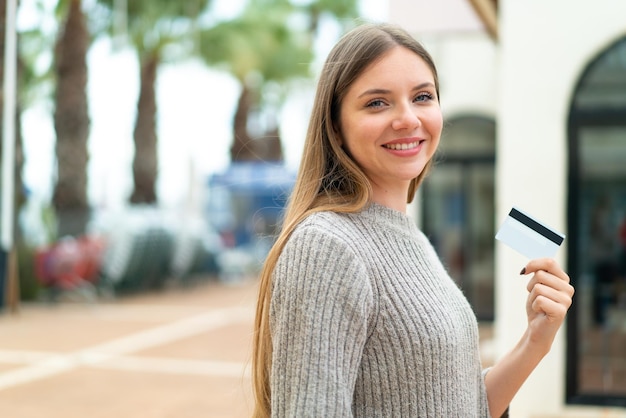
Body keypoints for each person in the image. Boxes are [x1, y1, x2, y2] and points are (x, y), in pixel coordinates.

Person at [251, 22, 574, 417]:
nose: (407, 118)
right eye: (377, 102)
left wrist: (535, 341)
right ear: (335, 124)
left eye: (422, 96)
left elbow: (458, 405)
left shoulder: (413, 240)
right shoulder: (327, 244)